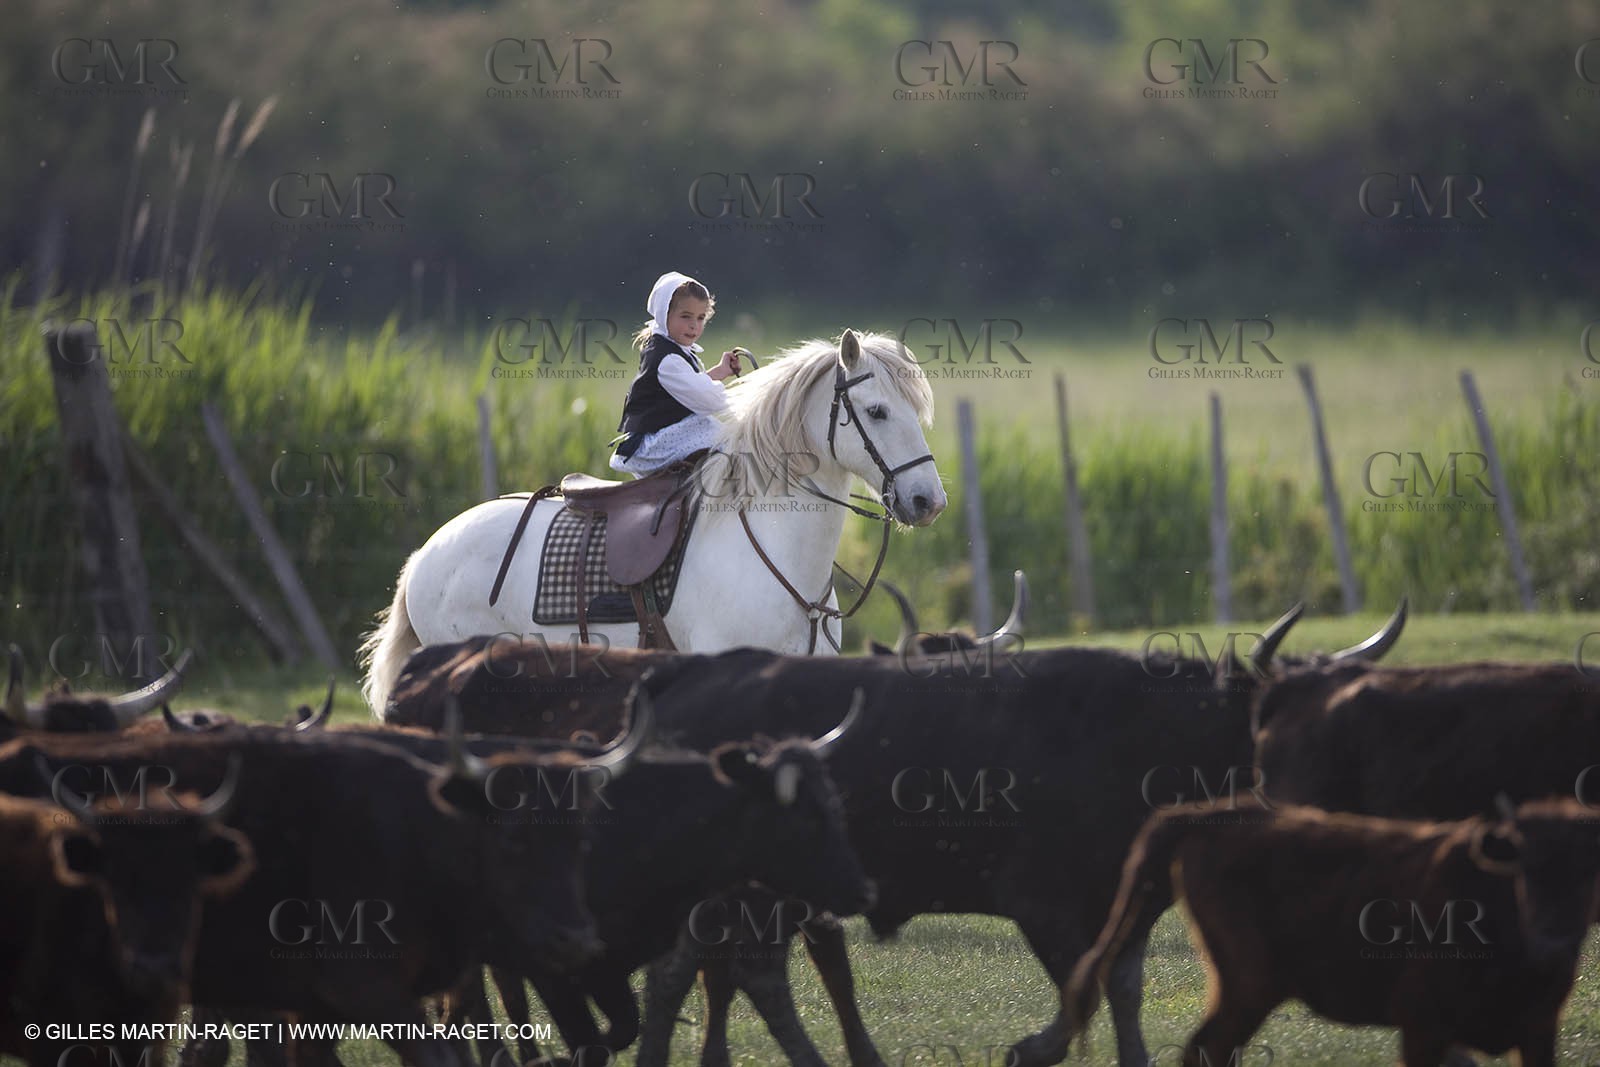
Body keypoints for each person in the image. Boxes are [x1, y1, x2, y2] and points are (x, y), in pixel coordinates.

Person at [609, 271, 744, 476]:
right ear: (664, 315)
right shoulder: (668, 359)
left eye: (700, 318)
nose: (694, 326)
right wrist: (751, 400)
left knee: (725, 437)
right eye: (685, 316)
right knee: (730, 441)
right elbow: (708, 400)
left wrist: (720, 371)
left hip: (666, 433)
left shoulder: (670, 349)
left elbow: (690, 388)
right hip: (657, 442)